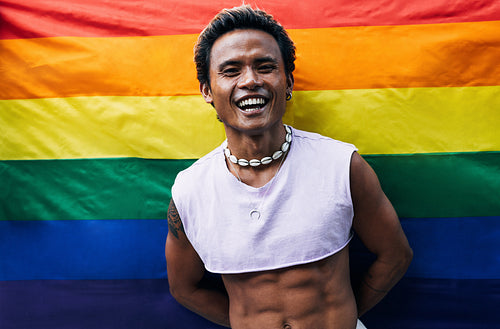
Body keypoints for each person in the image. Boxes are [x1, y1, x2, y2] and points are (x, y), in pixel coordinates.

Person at [165, 5, 413, 329]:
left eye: (265, 67)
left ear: (288, 81)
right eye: (231, 71)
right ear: (207, 91)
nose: (250, 80)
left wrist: (343, 319)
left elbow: (395, 255)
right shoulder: (190, 190)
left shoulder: (341, 165)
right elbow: (184, 287)